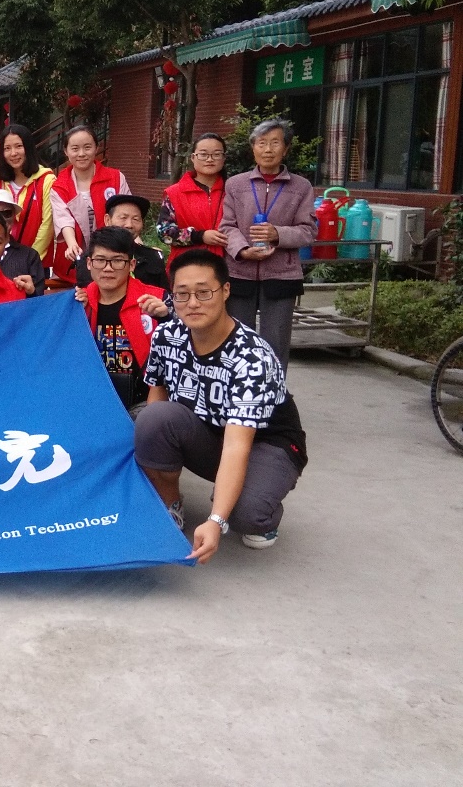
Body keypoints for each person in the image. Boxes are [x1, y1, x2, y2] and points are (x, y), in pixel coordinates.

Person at [135, 249, 307, 561]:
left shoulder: (252, 357)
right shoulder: (167, 335)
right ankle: (170, 503)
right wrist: (155, 460)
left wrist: (216, 520)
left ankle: (263, 507)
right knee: (152, 417)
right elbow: (156, 396)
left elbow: (237, 445)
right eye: (182, 294)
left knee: (245, 515)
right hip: (208, 432)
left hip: (266, 442)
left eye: (204, 292)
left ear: (226, 290)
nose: (193, 303)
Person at [218, 118, 315, 370]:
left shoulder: (301, 187)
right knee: (237, 339)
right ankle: (236, 388)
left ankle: (275, 391)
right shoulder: (236, 184)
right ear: (253, 148)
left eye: (275, 143)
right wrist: (242, 250)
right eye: (261, 143)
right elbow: (226, 225)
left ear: (286, 148)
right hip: (240, 271)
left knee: (276, 342)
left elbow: (308, 231)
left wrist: (277, 234)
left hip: (282, 274)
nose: (268, 149)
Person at [73, 227, 171, 409]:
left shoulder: (157, 300)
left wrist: (167, 318)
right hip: (91, 400)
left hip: (145, 401)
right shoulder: (78, 303)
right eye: (100, 260)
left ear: (131, 265)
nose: (108, 268)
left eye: (117, 261)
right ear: (89, 263)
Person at [49, 125, 130, 286]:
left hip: (112, 261)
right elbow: (63, 219)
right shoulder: (59, 186)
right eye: (75, 149)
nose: (81, 154)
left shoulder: (115, 178)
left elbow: (125, 213)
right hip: (73, 264)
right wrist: (72, 244)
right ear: (66, 151)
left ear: (96, 148)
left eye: (87, 147)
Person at [158, 132, 228, 271]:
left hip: (226, 267)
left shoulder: (233, 191)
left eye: (216, 154)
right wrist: (199, 236)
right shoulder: (174, 193)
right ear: (193, 158)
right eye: (203, 154)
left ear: (224, 158)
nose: (209, 159)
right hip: (185, 266)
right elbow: (164, 233)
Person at [0, 124, 55, 260]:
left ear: (28, 148)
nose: (13, 153)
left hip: (37, 262)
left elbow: (48, 225)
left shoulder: (47, 180)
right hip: (2, 260)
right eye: (7, 148)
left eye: (19, 146)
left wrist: (30, 259)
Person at [99, 194, 168, 290]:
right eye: (123, 218)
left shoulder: (153, 258)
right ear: (107, 220)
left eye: (135, 219)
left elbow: (165, 294)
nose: (129, 225)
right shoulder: (93, 258)